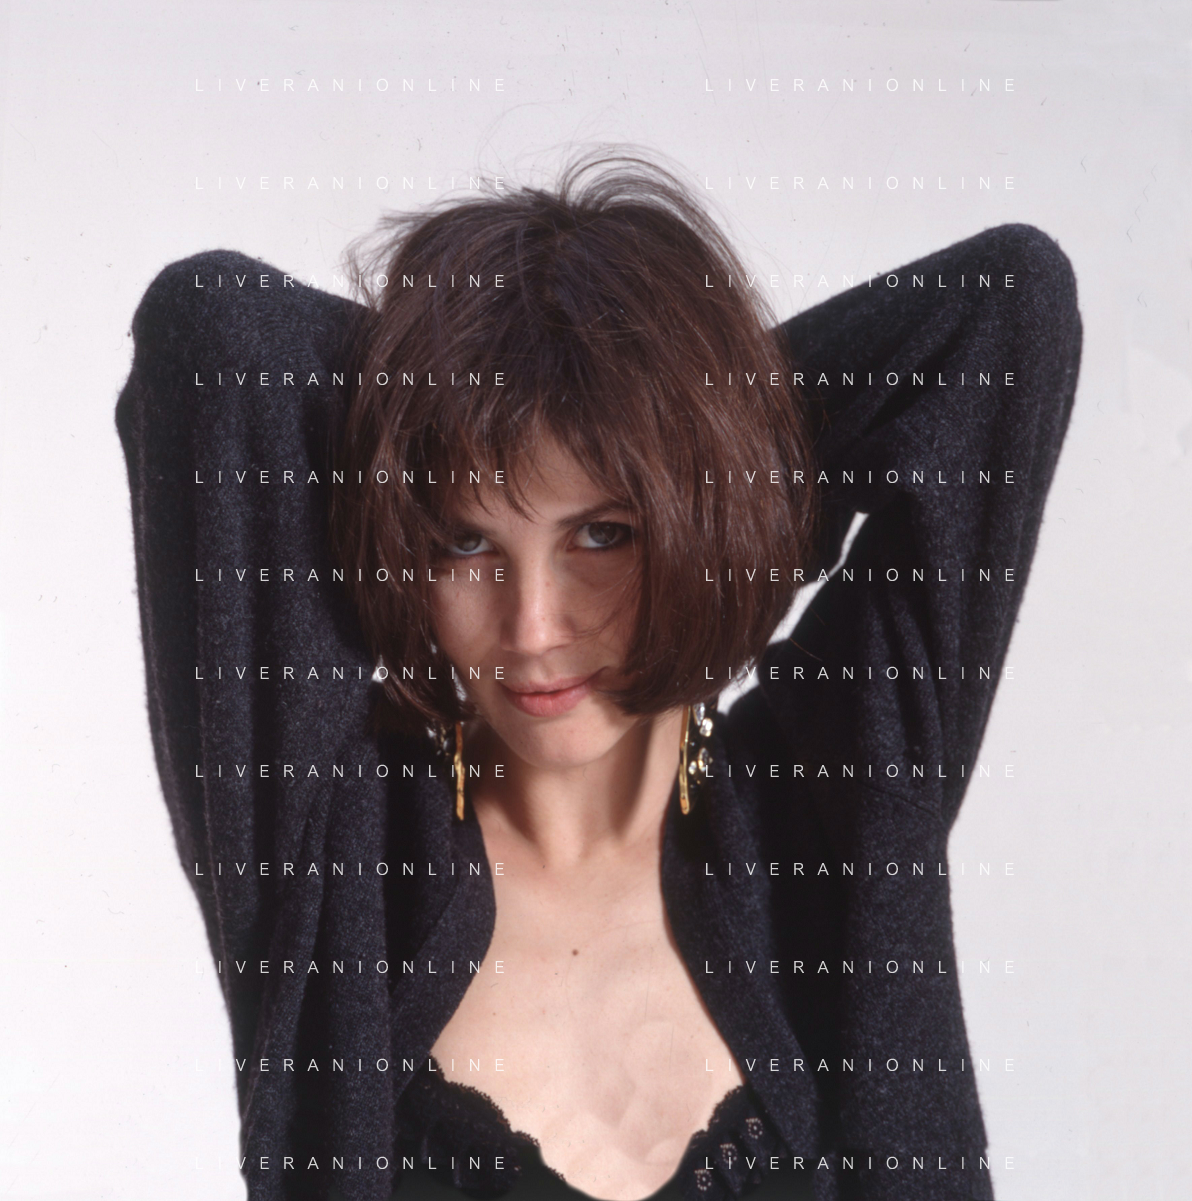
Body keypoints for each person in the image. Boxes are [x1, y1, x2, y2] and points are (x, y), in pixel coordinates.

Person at [116, 154, 1082, 1201]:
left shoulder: (829, 807)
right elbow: (212, 332)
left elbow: (1007, 311)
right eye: (465, 543)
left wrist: (693, 444)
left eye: (603, 534)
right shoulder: (330, 851)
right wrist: (447, 386)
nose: (532, 627)